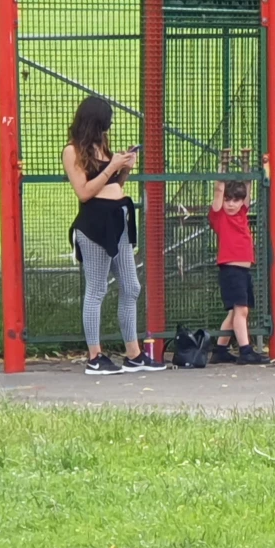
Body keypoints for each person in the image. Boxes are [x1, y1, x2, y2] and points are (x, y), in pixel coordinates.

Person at [63, 95, 164, 375]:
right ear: (93, 122)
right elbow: (85, 192)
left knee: (131, 287)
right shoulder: (72, 151)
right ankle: (95, 356)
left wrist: (125, 169)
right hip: (94, 225)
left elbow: (112, 185)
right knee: (97, 289)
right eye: (104, 123)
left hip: (118, 218)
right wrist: (111, 166)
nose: (107, 128)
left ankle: (134, 354)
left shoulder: (102, 146)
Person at [209, 148, 270, 364]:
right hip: (231, 269)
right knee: (241, 310)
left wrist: (245, 161)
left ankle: (220, 350)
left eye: (235, 200)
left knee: (235, 313)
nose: (231, 204)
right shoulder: (219, 215)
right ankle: (246, 351)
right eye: (228, 200)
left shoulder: (242, 212)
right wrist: (223, 163)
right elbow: (218, 188)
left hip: (243, 269)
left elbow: (247, 186)